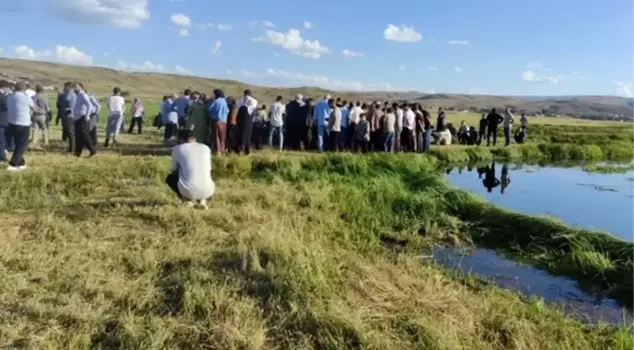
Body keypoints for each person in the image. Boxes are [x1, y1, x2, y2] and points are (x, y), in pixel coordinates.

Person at [165, 128, 215, 209]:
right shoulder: (205, 148)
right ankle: (202, 201)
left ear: (181, 139)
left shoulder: (178, 149)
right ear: (194, 138)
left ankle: (187, 200)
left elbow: (173, 170)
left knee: (170, 178)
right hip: (209, 190)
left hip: (188, 191)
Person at [6, 81, 35, 171]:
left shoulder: (9, 96)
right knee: (22, 145)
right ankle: (13, 164)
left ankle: (21, 163)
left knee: (18, 144)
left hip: (11, 123)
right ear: (24, 88)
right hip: (23, 123)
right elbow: (34, 107)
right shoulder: (26, 97)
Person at [72, 83, 97, 157]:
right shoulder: (77, 95)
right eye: (74, 87)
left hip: (83, 118)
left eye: (76, 87)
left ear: (80, 87)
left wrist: (87, 115)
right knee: (78, 136)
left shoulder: (83, 95)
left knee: (84, 135)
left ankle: (93, 151)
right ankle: (77, 152)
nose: (74, 89)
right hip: (77, 118)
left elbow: (89, 105)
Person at [235, 89, 257, 154]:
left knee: (241, 134)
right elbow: (253, 110)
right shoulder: (254, 101)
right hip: (249, 120)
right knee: (248, 134)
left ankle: (241, 148)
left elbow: (237, 107)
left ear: (244, 94)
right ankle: (247, 149)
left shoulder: (240, 101)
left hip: (241, 119)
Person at [207, 89, 229, 155]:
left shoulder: (216, 101)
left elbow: (210, 110)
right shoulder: (224, 101)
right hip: (224, 121)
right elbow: (227, 111)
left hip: (216, 121)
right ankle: (223, 151)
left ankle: (218, 152)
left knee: (216, 137)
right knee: (222, 137)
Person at [59, 82, 77, 152]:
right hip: (65, 115)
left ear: (69, 87)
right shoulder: (65, 94)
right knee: (67, 132)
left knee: (71, 133)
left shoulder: (72, 94)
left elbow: (70, 105)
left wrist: (68, 110)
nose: (64, 88)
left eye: (65, 86)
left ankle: (72, 149)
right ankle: (70, 148)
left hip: (70, 115)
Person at [0, 80, 9, 161]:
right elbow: (7, 107)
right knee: (2, 140)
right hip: (2, 121)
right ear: (4, 88)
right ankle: (1, 156)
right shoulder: (3, 97)